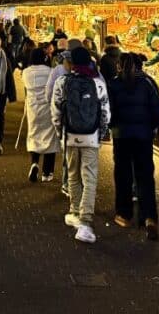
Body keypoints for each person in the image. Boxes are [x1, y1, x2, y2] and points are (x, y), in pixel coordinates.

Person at [51, 46, 110, 244]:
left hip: (70, 135)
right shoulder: (98, 83)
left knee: (73, 175)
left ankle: (75, 211)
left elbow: (56, 112)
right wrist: (100, 134)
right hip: (91, 137)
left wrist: (61, 134)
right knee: (90, 177)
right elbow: (105, 113)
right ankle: (85, 221)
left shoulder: (62, 82)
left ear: (72, 63)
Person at [108, 51, 159, 240]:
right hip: (144, 137)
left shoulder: (114, 84)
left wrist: (112, 126)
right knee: (145, 177)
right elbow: (158, 111)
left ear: (119, 66)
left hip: (122, 136)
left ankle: (124, 215)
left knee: (123, 175)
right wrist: (153, 127)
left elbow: (109, 111)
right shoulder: (148, 83)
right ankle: (149, 217)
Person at [22, 47, 59, 182]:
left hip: (33, 108)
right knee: (49, 137)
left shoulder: (26, 72)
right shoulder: (50, 72)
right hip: (47, 108)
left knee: (34, 135)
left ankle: (34, 163)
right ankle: (47, 172)